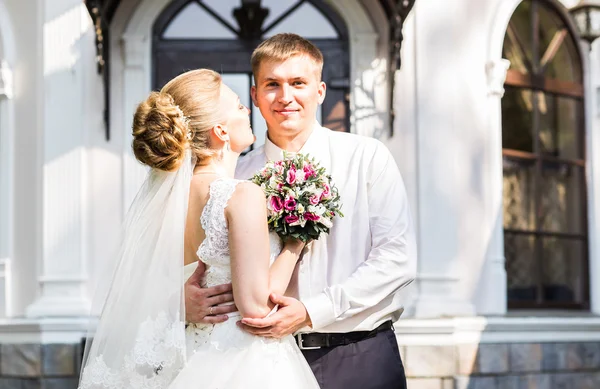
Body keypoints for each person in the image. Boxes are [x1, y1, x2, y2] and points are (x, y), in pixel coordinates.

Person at [186, 33, 417, 389]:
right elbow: (197, 258)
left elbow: (397, 258)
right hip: (259, 364)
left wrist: (313, 311)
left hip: (358, 354)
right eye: (272, 85)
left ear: (320, 91)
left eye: (298, 83)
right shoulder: (234, 178)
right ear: (255, 96)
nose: (285, 97)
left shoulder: (366, 157)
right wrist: (181, 300)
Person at [78, 69, 320, 389]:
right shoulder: (241, 194)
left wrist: (179, 303)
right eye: (237, 106)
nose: (246, 110)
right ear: (220, 130)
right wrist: (294, 245)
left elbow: (141, 286)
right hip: (243, 361)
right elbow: (258, 308)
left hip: (189, 358)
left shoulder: (167, 203)